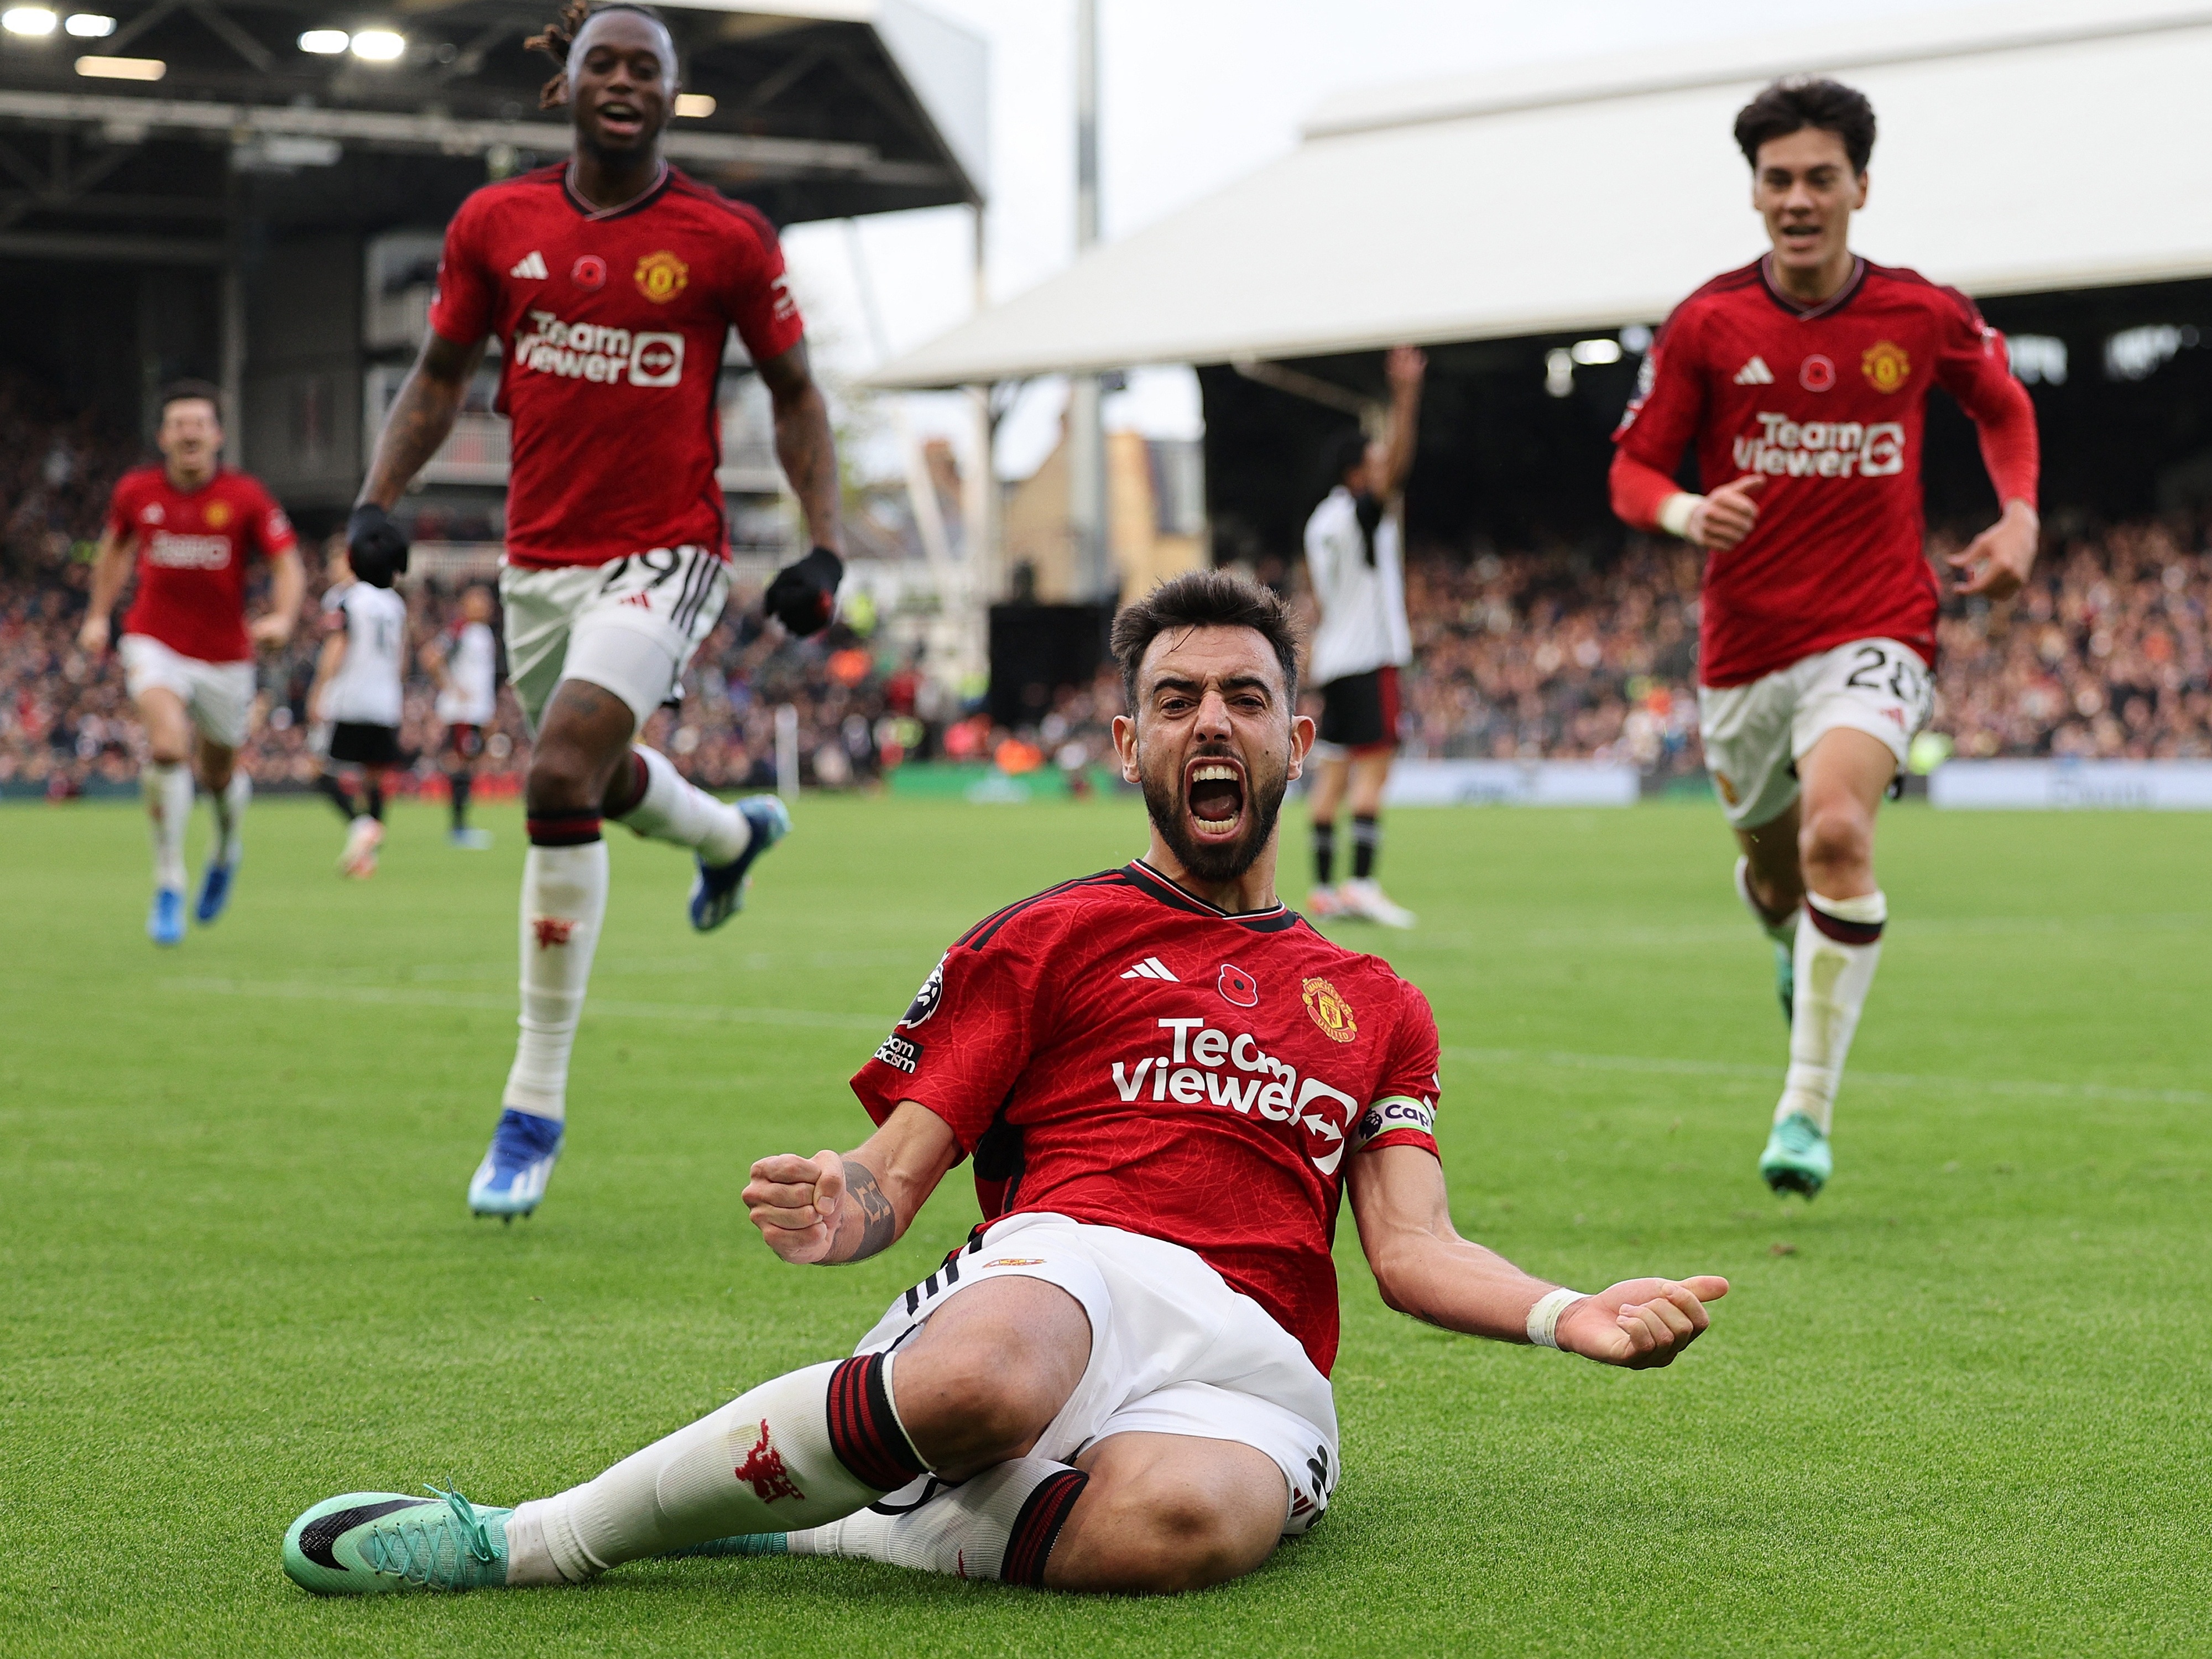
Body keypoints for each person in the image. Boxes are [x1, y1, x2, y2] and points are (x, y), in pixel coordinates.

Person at [280, 570, 1728, 1600]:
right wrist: (851, 1204)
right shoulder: (1048, 937)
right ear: (1129, 743)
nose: (1210, 723)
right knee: (983, 1382)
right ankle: (538, 1538)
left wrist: (1563, 1313)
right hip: (1070, 1268)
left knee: (1186, 1529)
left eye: (1243, 697)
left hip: (1258, 1357)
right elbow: (898, 1173)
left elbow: (1410, 1251)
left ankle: (834, 1524)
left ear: (1300, 739)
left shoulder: (1383, 1004)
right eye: (1175, 701)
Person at [346, 0, 849, 1218]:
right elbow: (439, 377)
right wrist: (377, 498)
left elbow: (793, 392)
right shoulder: (494, 224)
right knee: (592, 775)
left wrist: (825, 546)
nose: (624, 81)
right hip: (538, 561)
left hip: (667, 550)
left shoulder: (724, 238)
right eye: (602, 62)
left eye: (648, 67)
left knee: (558, 770)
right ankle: (730, 839)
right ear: (562, 84)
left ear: (672, 94)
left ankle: (531, 1106)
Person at [1609, 76, 2039, 1198]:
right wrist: (1683, 512)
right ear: (1753, 192)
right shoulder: (1707, 323)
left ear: (1858, 186)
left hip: (1876, 623)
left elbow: (2000, 404)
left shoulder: (1918, 313)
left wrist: (2020, 512)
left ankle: (1802, 1109)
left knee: (1837, 837)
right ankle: (1785, 946)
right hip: (1742, 651)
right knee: (1771, 877)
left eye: (1818, 177)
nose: (1796, 198)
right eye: (1776, 179)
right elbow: (1629, 468)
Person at [77, 381, 303, 946]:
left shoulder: (247, 497)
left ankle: (226, 849)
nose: (189, 433)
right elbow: (114, 550)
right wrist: (98, 615)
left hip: (226, 654)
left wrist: (282, 618)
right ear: (163, 436)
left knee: (219, 772)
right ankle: (169, 882)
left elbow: (288, 565)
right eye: (179, 424)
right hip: (155, 639)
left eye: (199, 423)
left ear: (217, 435)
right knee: (167, 747)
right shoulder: (136, 491)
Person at [1303, 345, 1423, 928]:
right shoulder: (1357, 514)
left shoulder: (1318, 523)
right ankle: (1362, 884)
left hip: (1334, 657)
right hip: (1370, 655)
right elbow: (1398, 468)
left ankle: (1324, 889)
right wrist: (1406, 395)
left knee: (1332, 776)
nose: (1382, 470)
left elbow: (1317, 594)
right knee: (1373, 773)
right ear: (1356, 474)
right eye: (1371, 463)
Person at [309, 544, 412, 879]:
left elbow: (338, 645)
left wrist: (319, 690)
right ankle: (366, 857)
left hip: (349, 698)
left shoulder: (344, 598)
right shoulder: (394, 603)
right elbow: (402, 659)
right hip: (385, 702)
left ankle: (360, 825)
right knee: (376, 779)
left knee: (317, 769)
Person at [422, 583, 501, 849]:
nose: (485, 606)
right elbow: (431, 657)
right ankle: (458, 829)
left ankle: (461, 827)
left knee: (468, 766)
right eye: (478, 601)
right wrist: (452, 688)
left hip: (476, 713)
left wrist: (488, 712)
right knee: (460, 765)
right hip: (462, 713)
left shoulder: (483, 634)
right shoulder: (460, 630)